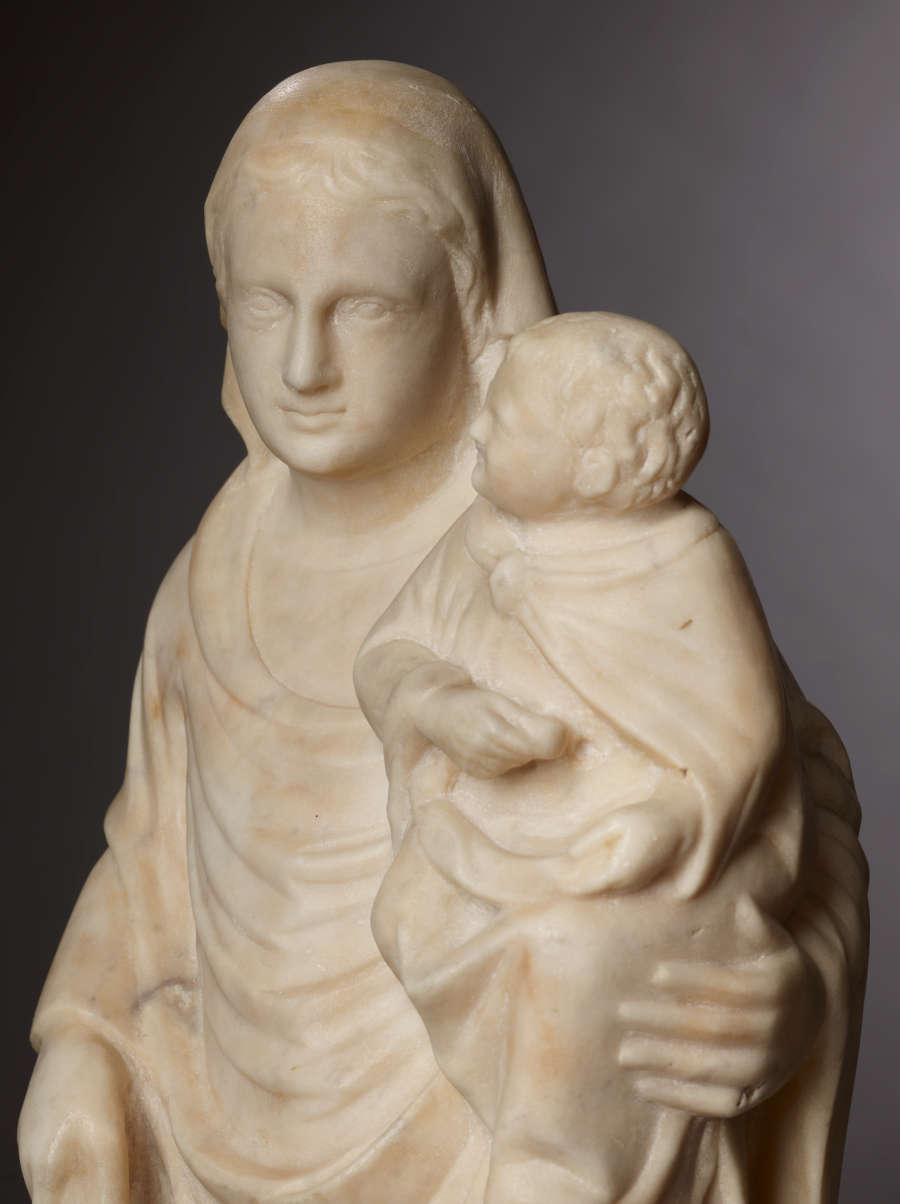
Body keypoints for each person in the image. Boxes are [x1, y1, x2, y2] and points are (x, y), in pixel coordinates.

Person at [19, 63, 866, 1204]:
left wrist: (792, 988)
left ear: (469, 306)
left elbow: (770, 796)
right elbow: (149, 860)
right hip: (217, 1127)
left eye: (364, 305)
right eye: (265, 303)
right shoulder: (210, 580)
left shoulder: (571, 542)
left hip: (511, 1130)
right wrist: (80, 1036)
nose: (304, 366)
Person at [354, 311, 810, 1202]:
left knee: (571, 955)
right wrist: (440, 704)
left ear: (594, 471)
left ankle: (557, 1163)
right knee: (408, 907)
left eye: (506, 420)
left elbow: (743, 742)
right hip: (485, 840)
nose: (478, 428)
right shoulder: (482, 537)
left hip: (630, 869)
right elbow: (391, 649)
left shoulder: (685, 566)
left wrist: (668, 821)